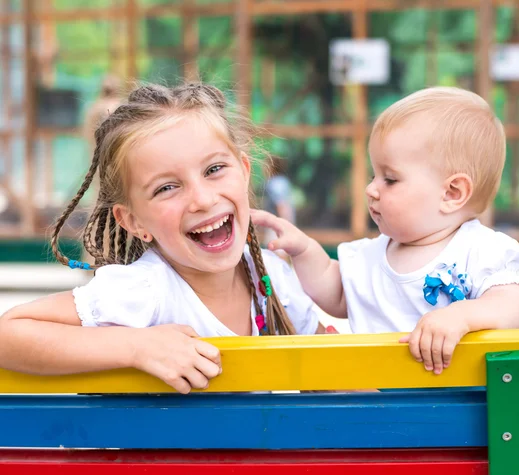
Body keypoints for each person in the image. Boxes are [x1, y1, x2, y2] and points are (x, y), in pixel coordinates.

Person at [0, 82, 327, 395]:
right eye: (166, 188)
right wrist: (137, 347)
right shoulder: (145, 289)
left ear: (244, 171)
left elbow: (334, 370)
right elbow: (7, 334)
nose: (202, 199)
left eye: (214, 169)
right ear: (134, 221)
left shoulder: (271, 279)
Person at [251, 86, 519, 376]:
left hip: (458, 411)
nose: (371, 189)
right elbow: (335, 291)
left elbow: (511, 307)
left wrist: (460, 317)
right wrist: (304, 249)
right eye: (374, 176)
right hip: (375, 403)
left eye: (390, 179)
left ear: (451, 193)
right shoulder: (371, 255)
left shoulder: (479, 249)